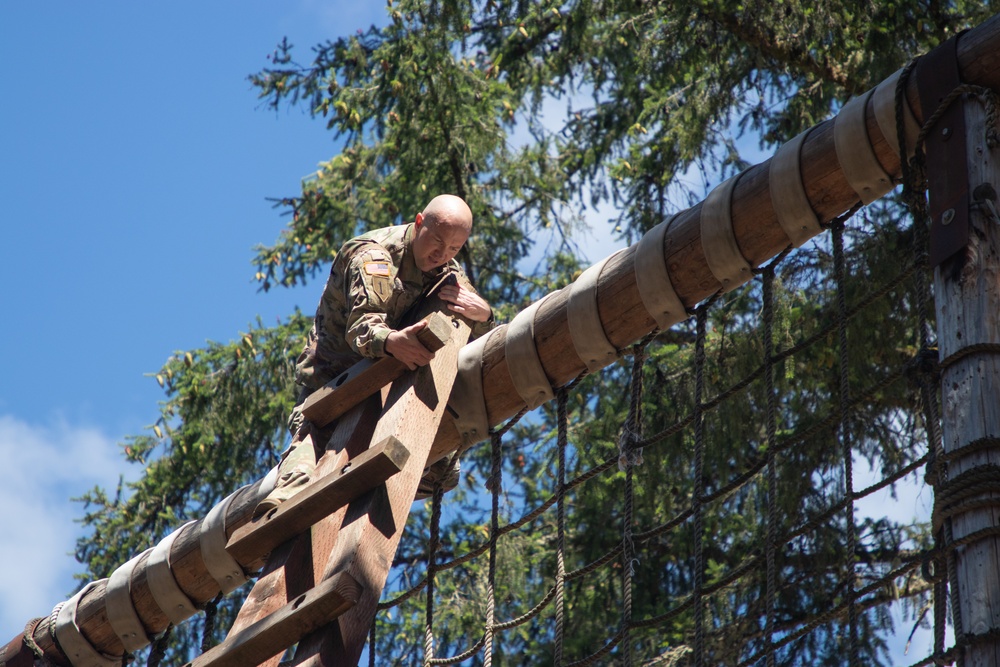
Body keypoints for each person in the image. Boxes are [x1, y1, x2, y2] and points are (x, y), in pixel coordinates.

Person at [254, 194, 493, 517]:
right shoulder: (374, 256)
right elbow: (362, 327)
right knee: (303, 472)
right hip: (331, 379)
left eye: (454, 248)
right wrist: (391, 341)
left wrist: (486, 315)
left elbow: (474, 333)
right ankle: (285, 503)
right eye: (437, 242)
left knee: (442, 473)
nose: (442, 254)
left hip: (388, 380)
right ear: (419, 222)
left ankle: (362, 498)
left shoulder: (446, 270)